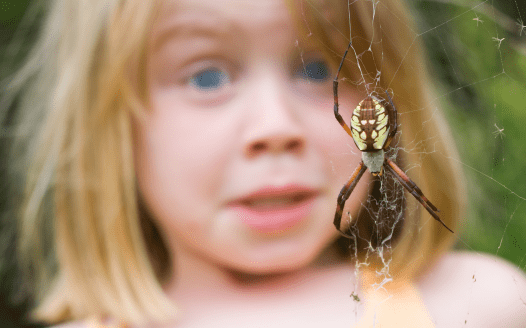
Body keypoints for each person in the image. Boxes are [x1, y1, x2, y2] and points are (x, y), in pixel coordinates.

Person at [3, 0, 526, 327]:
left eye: (318, 68)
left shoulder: (480, 303)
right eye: (206, 77)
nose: (276, 127)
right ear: (111, 131)